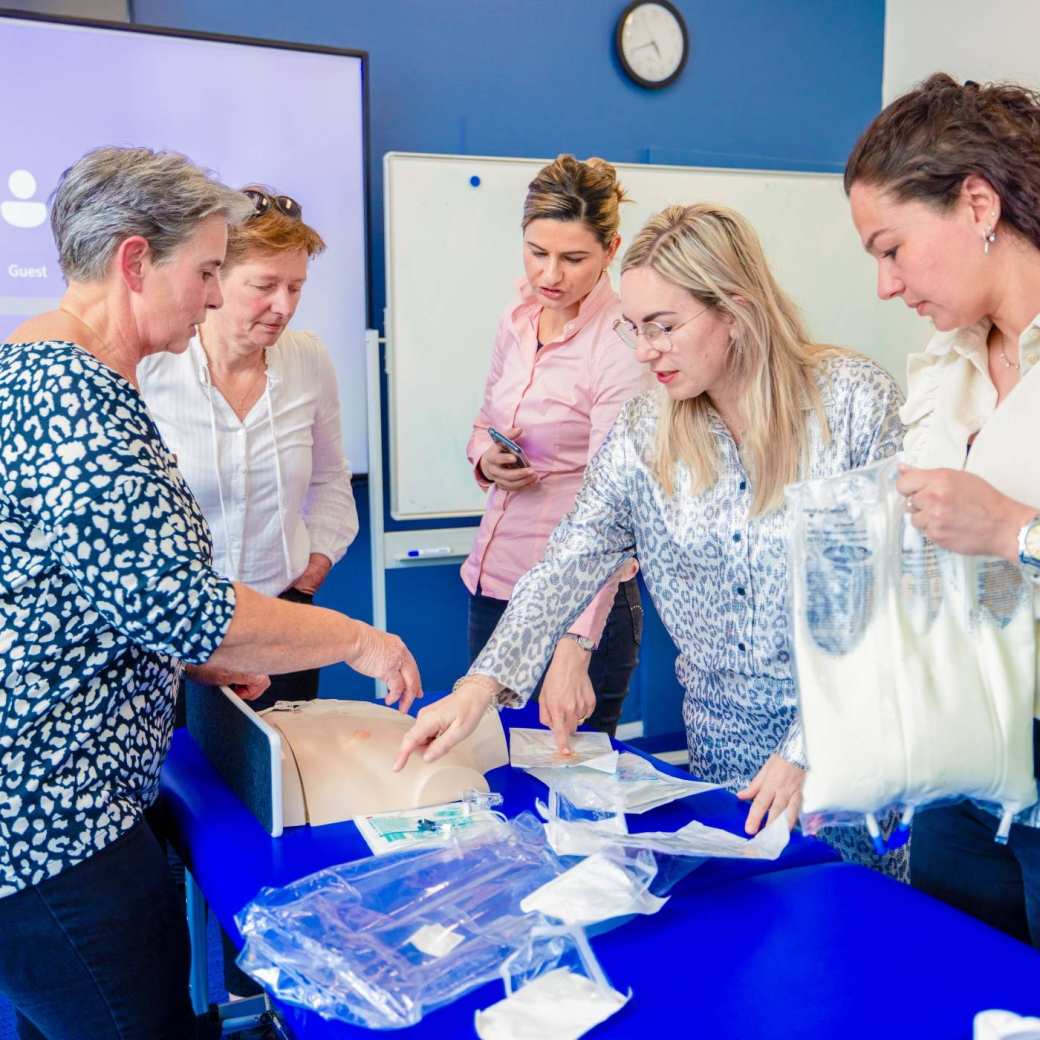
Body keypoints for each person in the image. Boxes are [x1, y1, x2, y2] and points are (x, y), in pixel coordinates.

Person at [0, 146, 421, 1040]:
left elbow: (112, 594)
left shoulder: (41, 368)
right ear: (132, 262)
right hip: (56, 825)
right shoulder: (76, 396)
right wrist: (356, 640)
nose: (215, 295)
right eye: (205, 271)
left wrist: (202, 650)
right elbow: (179, 602)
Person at [397, 202, 906, 876]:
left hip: (856, 738)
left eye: (663, 328)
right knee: (752, 928)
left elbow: (888, 601)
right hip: (725, 744)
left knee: (860, 928)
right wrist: (479, 685)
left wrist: (810, 748)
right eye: (634, 329)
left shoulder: (853, 403)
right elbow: (570, 559)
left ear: (736, 308)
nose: (645, 352)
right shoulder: (645, 432)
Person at [846, 72, 1040, 946]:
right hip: (959, 753)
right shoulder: (943, 362)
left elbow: (995, 529)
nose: (886, 286)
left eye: (892, 248)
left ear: (975, 202)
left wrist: (1012, 531)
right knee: (954, 984)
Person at [139, 185, 357, 712]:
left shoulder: (308, 361)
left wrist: (309, 577)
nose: (283, 307)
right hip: (175, 638)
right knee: (181, 787)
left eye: (296, 288)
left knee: (279, 784)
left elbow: (331, 480)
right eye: (265, 285)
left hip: (281, 631)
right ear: (213, 278)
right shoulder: (152, 367)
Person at [463, 154, 648, 750]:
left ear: (611, 248)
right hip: (496, 587)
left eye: (573, 258)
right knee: (497, 771)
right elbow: (486, 421)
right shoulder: (515, 321)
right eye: (537, 251)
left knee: (573, 791)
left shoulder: (619, 344)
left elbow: (614, 511)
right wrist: (485, 461)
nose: (551, 274)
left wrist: (575, 643)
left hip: (578, 605)